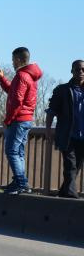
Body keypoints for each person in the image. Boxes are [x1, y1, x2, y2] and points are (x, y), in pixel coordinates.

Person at [0, 47, 43, 194]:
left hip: (18, 120)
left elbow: (16, 101)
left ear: (19, 59)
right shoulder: (29, 76)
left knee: (11, 151)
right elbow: (13, 91)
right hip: (26, 120)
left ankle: (21, 183)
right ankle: (20, 181)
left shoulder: (22, 76)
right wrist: (2, 78)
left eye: (13, 59)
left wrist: (8, 120)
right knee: (19, 153)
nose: (12, 63)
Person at [46, 59, 84, 198]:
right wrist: (48, 129)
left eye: (83, 69)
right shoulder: (62, 90)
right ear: (72, 71)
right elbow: (51, 111)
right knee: (70, 166)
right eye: (77, 69)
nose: (80, 72)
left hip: (82, 137)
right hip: (68, 135)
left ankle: (63, 194)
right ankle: (71, 198)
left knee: (76, 168)